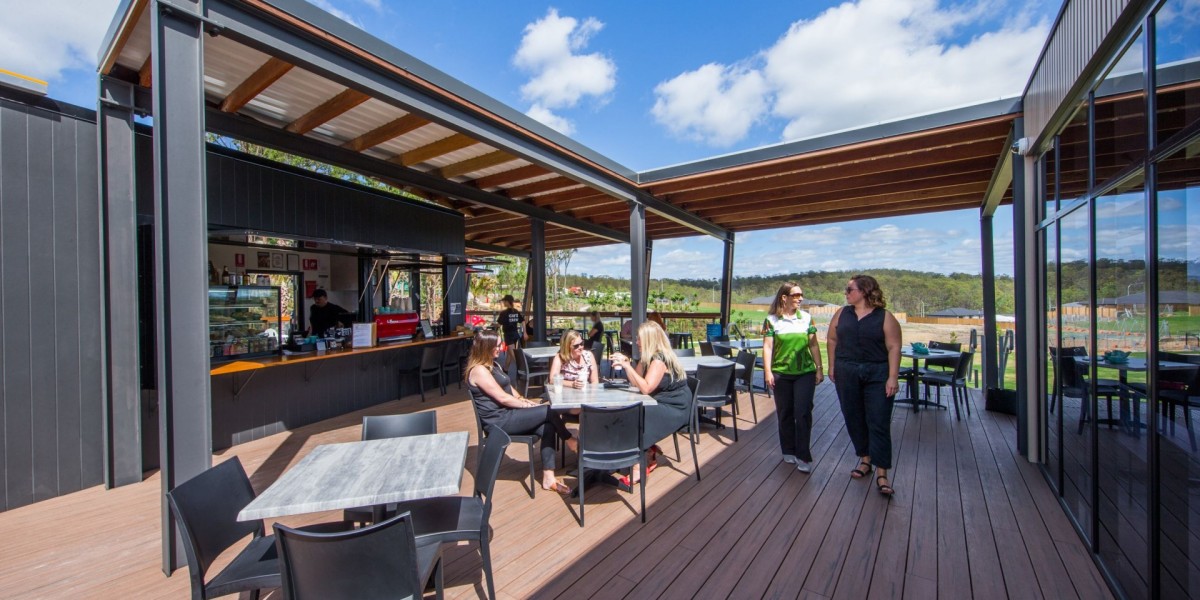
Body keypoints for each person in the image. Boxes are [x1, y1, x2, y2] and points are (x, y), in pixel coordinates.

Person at [465, 330, 577, 494]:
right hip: (499, 422)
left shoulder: (493, 365)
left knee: (548, 426)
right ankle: (570, 439)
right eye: (497, 345)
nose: (501, 348)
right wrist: (529, 407)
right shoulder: (479, 371)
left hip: (509, 414)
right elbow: (503, 398)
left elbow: (509, 389)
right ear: (486, 347)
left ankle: (548, 477)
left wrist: (524, 400)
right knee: (548, 410)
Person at [827, 274, 902, 497]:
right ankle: (865, 460)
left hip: (877, 373)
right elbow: (832, 339)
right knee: (853, 417)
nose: (846, 293)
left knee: (878, 420)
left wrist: (893, 377)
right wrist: (833, 366)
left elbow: (894, 347)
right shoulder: (842, 313)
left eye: (850, 289)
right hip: (847, 371)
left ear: (864, 291)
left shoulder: (885, 317)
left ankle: (882, 473)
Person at [610, 321, 692, 486]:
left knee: (636, 416)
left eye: (639, 339)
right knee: (631, 413)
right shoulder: (648, 357)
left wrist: (626, 365)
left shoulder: (659, 360)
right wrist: (628, 364)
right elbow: (636, 383)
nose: (637, 342)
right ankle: (647, 450)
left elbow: (646, 388)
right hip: (662, 401)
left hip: (675, 407)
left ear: (648, 340)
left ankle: (639, 467)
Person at [762, 282, 824, 473]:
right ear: (784, 297)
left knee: (803, 412)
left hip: (804, 372)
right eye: (796, 295)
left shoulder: (806, 318)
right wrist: (767, 371)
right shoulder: (771, 320)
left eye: (801, 295)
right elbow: (768, 347)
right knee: (785, 412)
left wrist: (819, 368)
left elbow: (813, 345)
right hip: (781, 373)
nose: (800, 298)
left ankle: (803, 455)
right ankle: (788, 449)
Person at [496, 295, 525, 370]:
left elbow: (499, 324)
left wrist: (493, 325)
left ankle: (522, 368)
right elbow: (523, 321)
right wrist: (525, 332)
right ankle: (505, 369)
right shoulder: (515, 311)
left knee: (513, 354)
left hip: (508, 335)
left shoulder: (504, 313)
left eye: (504, 301)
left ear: (507, 302)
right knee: (509, 353)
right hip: (515, 334)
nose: (503, 303)